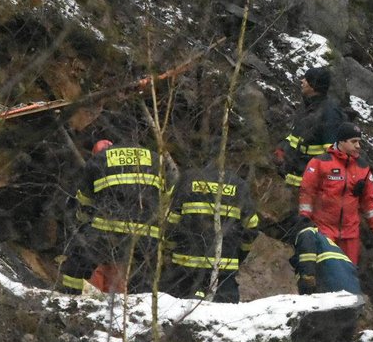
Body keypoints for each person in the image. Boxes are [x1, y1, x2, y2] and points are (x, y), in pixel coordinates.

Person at [59, 140, 165, 294]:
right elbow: (167, 198)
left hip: (107, 232)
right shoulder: (154, 158)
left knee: (77, 263)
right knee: (143, 277)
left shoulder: (100, 160)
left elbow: (84, 200)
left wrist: (81, 224)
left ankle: (68, 299)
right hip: (147, 233)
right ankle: (142, 310)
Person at [163, 161, 259, 303]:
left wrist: (169, 249)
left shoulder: (187, 180)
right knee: (224, 316)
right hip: (224, 265)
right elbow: (251, 226)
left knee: (181, 313)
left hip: (186, 266)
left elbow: (172, 221)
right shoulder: (239, 185)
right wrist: (240, 255)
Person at [298, 121, 373, 265]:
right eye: (353, 141)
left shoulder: (363, 167)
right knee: (326, 272)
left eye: (359, 142)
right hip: (324, 230)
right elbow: (307, 193)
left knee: (348, 275)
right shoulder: (320, 162)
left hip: (350, 234)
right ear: (341, 141)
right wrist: (305, 220)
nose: (358, 146)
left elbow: (369, 201)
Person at [273, 66, 346, 188]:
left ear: (313, 85)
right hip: (294, 177)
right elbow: (296, 136)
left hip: (312, 184)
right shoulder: (306, 107)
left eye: (306, 79)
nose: (302, 81)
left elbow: (333, 153)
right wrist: (282, 148)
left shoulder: (329, 113)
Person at [289, 217, 361, 295]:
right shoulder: (324, 241)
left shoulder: (306, 233)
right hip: (353, 290)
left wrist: (307, 279)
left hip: (334, 288)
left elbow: (307, 257)